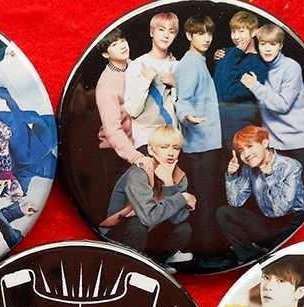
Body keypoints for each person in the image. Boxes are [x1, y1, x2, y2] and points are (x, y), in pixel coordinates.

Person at [99, 125, 195, 271]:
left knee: (184, 229)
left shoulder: (180, 176)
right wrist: (182, 198)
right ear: (151, 150)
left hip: (150, 230)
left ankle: (157, 264)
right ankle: (133, 268)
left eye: (176, 148)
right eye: (164, 147)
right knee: (138, 224)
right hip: (119, 233)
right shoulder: (138, 173)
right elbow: (148, 218)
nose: (171, 153)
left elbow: (178, 219)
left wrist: (169, 183)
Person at [242, 23, 304, 207]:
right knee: (280, 199)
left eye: (273, 44)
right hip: (275, 145)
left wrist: (255, 86)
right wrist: (221, 55)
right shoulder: (259, 67)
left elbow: (282, 105)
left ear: (280, 45)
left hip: (299, 143)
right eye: (263, 44)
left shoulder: (291, 67)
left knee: (303, 199)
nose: (267, 49)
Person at [174, 15, 228, 262]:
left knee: (209, 198)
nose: (206, 38)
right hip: (199, 145)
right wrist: (187, 116)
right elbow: (183, 100)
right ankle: (207, 253)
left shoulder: (199, 61)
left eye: (209, 33)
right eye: (200, 33)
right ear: (189, 35)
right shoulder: (189, 64)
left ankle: (209, 249)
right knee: (205, 201)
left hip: (207, 142)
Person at [216, 125, 304, 264]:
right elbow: (235, 202)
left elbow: (280, 210)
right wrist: (231, 175)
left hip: (291, 222)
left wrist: (270, 176)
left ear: (264, 143)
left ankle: (270, 251)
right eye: (241, 151)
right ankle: (249, 256)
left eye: (249, 146)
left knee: (284, 241)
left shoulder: (290, 166)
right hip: (268, 222)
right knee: (224, 213)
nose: (246, 154)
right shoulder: (248, 168)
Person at [95, 28, 152, 177]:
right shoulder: (106, 86)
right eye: (114, 44)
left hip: (141, 143)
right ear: (105, 54)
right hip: (119, 151)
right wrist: (136, 157)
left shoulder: (136, 66)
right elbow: (112, 130)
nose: (122, 46)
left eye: (123, 41)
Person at [123, 12, 179, 153]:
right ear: (151, 32)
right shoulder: (137, 65)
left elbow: (183, 109)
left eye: (171, 31)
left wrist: (175, 85)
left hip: (171, 139)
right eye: (161, 29)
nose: (166, 35)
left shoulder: (177, 66)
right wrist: (145, 80)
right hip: (145, 140)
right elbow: (133, 110)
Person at [213, 11, 269, 148]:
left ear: (254, 32)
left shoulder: (259, 65)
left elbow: (229, 95)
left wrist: (232, 55)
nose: (236, 36)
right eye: (233, 31)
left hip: (241, 129)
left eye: (241, 31)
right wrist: (230, 55)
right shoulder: (227, 54)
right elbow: (216, 87)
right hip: (217, 128)